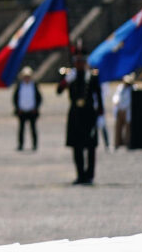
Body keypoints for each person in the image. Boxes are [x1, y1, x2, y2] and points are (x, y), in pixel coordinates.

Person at [56, 49, 104, 184]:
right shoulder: (70, 76)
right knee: (76, 146)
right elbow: (58, 91)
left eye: (81, 61)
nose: (79, 64)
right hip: (75, 114)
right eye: (77, 61)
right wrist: (66, 80)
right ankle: (80, 174)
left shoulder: (92, 76)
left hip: (89, 114)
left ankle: (90, 174)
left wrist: (100, 113)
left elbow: (98, 96)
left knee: (90, 146)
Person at [13, 66, 42, 151]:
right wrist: (17, 108)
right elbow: (15, 98)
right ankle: (21, 144)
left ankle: (35, 145)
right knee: (21, 129)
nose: (26, 78)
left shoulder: (34, 85)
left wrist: (36, 108)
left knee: (33, 129)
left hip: (32, 111)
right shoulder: (19, 86)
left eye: (28, 76)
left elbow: (39, 98)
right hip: (22, 111)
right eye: (25, 76)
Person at [112, 73, 135, 149]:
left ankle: (128, 143)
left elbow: (130, 101)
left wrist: (124, 107)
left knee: (128, 128)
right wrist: (116, 101)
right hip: (119, 110)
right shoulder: (120, 87)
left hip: (127, 110)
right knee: (118, 128)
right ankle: (117, 143)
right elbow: (116, 96)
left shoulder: (133, 89)